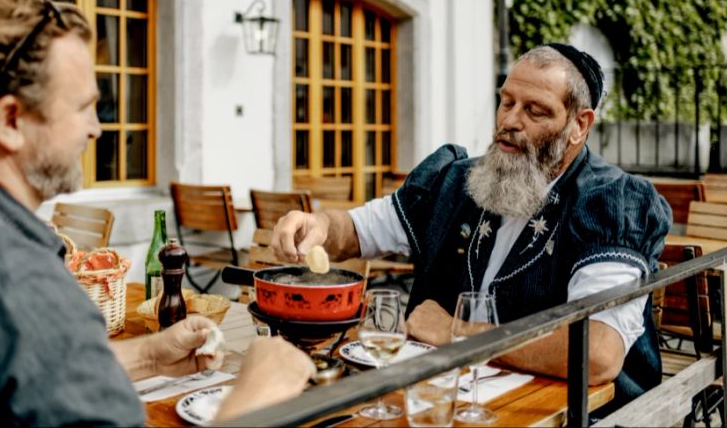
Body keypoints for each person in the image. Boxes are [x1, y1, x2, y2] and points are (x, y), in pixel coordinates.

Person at [0, 0, 313, 425]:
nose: (97, 129)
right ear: (11, 120)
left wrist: (150, 356)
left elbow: (10, 372)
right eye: (84, 106)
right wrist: (257, 401)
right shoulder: (10, 276)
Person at [272, 44, 670, 407]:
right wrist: (319, 224)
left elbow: (597, 354)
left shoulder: (610, 201)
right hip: (450, 400)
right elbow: (358, 231)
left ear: (579, 126)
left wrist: (455, 334)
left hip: (575, 412)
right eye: (507, 102)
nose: (510, 121)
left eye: (535, 110)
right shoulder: (455, 179)